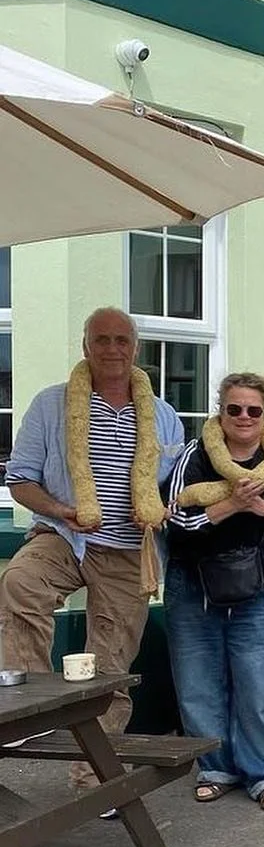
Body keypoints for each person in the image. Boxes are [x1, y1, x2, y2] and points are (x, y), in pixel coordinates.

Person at [0, 307, 184, 793]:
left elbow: (173, 487)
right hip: (65, 535)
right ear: (85, 347)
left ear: (135, 348)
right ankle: (31, 708)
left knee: (110, 665)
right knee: (19, 582)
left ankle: (94, 779)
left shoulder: (163, 417)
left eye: (121, 340)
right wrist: (61, 510)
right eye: (100, 339)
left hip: (127, 552)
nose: (111, 349)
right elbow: (19, 479)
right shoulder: (51, 404)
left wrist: (158, 507)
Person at [165, 374, 264, 811]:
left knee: (259, 685)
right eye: (235, 409)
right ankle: (215, 767)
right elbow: (175, 521)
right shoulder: (195, 459)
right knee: (198, 685)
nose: (244, 417)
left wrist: (262, 506)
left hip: (257, 588)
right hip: (195, 586)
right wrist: (230, 503)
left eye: (254, 410)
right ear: (221, 412)